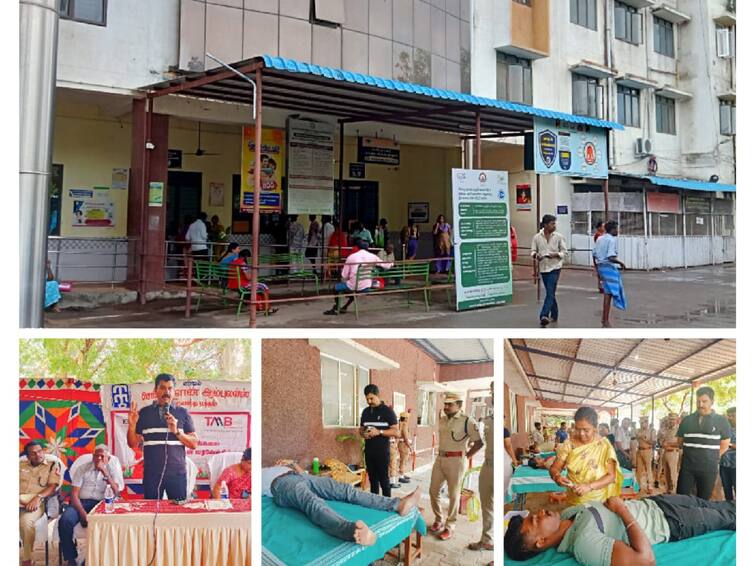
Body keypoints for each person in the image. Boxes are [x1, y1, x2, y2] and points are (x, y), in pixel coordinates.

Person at [504, 494, 736, 565]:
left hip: (657, 502)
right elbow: (645, 560)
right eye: (535, 521)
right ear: (541, 542)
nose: (541, 513)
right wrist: (623, 511)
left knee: (721, 505)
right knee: (729, 517)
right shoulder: (585, 544)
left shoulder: (567, 515)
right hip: (670, 522)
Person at [263, 459, 421, 546]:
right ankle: (351, 531)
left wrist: (290, 464)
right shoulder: (258, 475)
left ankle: (398, 504)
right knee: (311, 501)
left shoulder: (280, 466)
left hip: (302, 477)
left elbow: (302, 472)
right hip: (281, 485)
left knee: (346, 490)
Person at [127, 373, 199, 499]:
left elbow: (194, 444)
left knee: (177, 512)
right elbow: (132, 444)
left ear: (174, 391)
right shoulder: (144, 413)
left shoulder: (182, 413)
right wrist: (132, 426)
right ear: (155, 390)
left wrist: (177, 431)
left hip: (177, 474)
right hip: (152, 474)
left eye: (170, 388)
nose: (167, 392)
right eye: (162, 388)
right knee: (151, 512)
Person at [429, 392, 483, 541]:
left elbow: (479, 442)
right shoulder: (442, 419)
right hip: (440, 459)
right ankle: (439, 519)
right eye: (445, 404)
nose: (446, 406)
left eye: (450, 404)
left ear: (459, 405)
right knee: (433, 491)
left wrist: (466, 456)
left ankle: (450, 525)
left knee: (453, 495)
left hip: (457, 461)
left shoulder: (468, 421)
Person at [60, 445, 124, 566]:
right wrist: (83, 513)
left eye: (102, 456)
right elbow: (74, 495)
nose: (98, 458)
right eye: (96, 455)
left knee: (102, 524)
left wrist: (105, 472)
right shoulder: (82, 468)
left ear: (108, 457)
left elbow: (116, 492)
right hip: (80, 502)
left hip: (101, 504)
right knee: (65, 520)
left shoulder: (112, 469)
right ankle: (71, 557)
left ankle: (91, 558)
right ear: (92, 456)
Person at [549, 407, 623, 506]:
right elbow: (555, 468)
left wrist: (589, 486)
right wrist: (557, 476)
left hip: (598, 501)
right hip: (574, 499)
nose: (581, 434)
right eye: (578, 429)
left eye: (586, 430)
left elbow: (611, 476)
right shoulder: (569, 444)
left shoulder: (604, 446)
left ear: (595, 428)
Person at [675, 386, 731, 500]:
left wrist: (712, 457)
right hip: (687, 468)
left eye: (704, 401)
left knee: (703, 500)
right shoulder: (687, 420)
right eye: (698, 401)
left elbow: (725, 445)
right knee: (681, 498)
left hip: (708, 469)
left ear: (712, 402)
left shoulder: (721, 421)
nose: (700, 405)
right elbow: (680, 442)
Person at [19, 441, 63, 566]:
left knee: (25, 523)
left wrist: (38, 497)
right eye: (33, 453)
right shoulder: (20, 466)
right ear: (27, 457)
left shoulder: (52, 465)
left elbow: (53, 486)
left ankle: (27, 559)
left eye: (39, 451)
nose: (38, 455)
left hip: (36, 504)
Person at [323, 239, 393, 315]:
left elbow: (344, 275)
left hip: (353, 285)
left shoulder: (351, 257)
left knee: (336, 288)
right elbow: (386, 266)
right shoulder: (373, 256)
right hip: (366, 286)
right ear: (368, 248)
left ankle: (337, 307)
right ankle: (345, 306)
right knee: (355, 289)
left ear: (357, 247)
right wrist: (392, 264)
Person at [359, 384, 399, 497]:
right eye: (367, 399)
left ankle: (387, 505)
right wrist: (364, 434)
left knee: (384, 480)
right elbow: (361, 429)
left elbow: (396, 432)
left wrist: (379, 432)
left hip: (382, 453)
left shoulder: (388, 412)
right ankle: (374, 504)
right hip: (369, 452)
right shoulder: (366, 412)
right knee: (372, 480)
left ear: (378, 395)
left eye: (371, 398)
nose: (369, 401)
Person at [469, 382, 494, 553]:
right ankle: (487, 539)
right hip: (487, 465)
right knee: (487, 505)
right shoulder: (490, 418)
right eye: (492, 391)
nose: (493, 395)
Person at [531, 214, 568, 327]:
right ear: (546, 225)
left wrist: (555, 254)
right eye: (552, 223)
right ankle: (555, 314)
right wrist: (536, 255)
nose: (554, 225)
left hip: (555, 267)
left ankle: (544, 315)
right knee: (550, 292)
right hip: (543, 267)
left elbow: (564, 253)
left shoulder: (558, 237)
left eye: (554, 223)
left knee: (550, 291)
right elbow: (532, 251)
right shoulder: (537, 237)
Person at [593, 220, 627, 327]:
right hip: (608, 267)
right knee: (609, 294)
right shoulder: (611, 240)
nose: (618, 230)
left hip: (601, 266)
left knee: (608, 293)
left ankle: (605, 319)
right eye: (617, 228)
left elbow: (594, 254)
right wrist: (621, 263)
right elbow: (610, 257)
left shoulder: (600, 238)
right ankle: (605, 320)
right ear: (612, 229)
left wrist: (597, 267)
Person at [636, 416, 656, 494]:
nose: (642, 424)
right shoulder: (638, 431)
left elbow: (654, 442)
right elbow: (634, 437)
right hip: (639, 451)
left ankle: (650, 486)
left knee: (648, 469)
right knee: (639, 470)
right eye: (640, 422)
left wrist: (645, 439)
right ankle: (638, 486)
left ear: (647, 422)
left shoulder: (652, 431)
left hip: (647, 450)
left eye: (643, 422)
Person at [720, 407, 736, 501]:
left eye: (732, 416)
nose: (729, 418)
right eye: (728, 416)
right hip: (724, 464)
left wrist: (727, 444)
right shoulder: (725, 428)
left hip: (736, 465)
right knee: (726, 489)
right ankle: (728, 509)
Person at [397, 411, 414, 483]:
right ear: (405, 418)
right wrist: (409, 446)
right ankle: (401, 476)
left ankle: (402, 474)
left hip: (403, 444)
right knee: (403, 459)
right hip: (404, 444)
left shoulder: (401, 424)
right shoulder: (404, 424)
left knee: (404, 459)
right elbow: (405, 437)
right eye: (408, 418)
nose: (408, 419)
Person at [592, 220, 605, 293]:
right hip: (598, 255)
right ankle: (601, 286)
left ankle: (601, 286)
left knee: (600, 271)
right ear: (599, 227)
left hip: (599, 254)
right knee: (600, 271)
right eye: (603, 226)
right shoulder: (598, 235)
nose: (604, 228)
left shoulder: (602, 234)